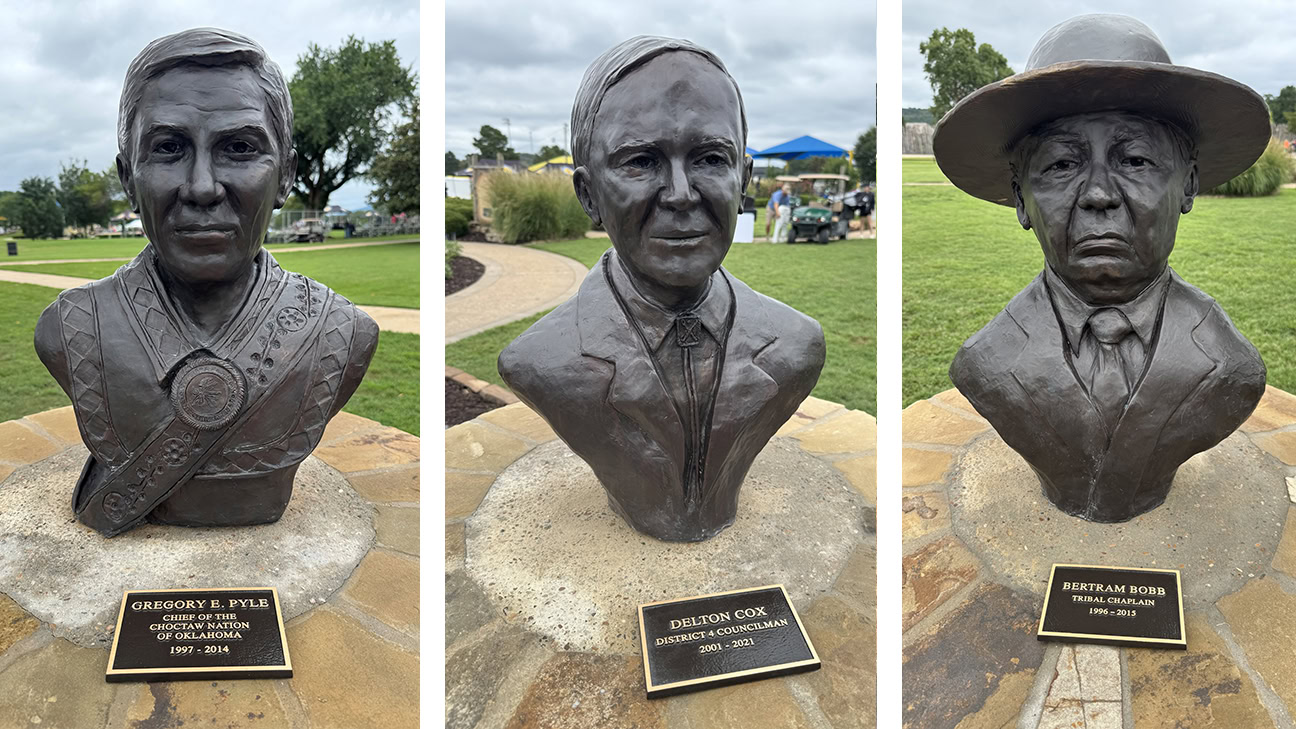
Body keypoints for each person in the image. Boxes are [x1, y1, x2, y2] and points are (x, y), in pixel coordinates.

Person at [33, 28, 378, 537]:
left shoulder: (343, 334)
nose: (201, 187)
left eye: (239, 148)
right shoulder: (68, 330)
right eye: (169, 148)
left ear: (285, 175)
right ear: (129, 178)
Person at [939, 14, 1268, 522]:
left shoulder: (1233, 365)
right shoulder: (984, 361)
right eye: (1061, 166)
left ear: (1187, 185)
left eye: (1135, 160)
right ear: (1022, 201)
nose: (1098, 195)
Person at [498, 36, 825, 542]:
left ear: (744, 180)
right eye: (640, 162)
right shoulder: (540, 361)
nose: (679, 194)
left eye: (711, 159)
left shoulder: (798, 345)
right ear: (589, 194)